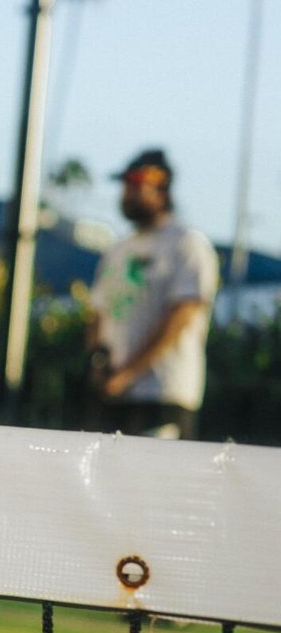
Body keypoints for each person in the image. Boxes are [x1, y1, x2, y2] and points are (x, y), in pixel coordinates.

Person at [86, 149, 219, 440]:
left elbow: (182, 314)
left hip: (162, 395)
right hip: (114, 398)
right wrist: (98, 363)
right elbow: (97, 312)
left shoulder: (186, 244)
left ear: (161, 188)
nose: (127, 193)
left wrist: (128, 374)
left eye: (136, 184)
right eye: (125, 184)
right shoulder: (118, 251)